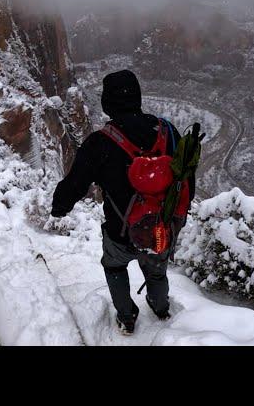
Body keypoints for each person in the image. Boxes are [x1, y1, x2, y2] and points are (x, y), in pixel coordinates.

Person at [50, 69, 195, 335]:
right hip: (162, 227)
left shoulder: (99, 143)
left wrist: (59, 208)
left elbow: (74, 184)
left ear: (107, 104)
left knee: (114, 265)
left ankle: (127, 317)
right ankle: (161, 308)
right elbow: (187, 178)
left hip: (120, 231)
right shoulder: (168, 131)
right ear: (137, 98)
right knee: (156, 271)